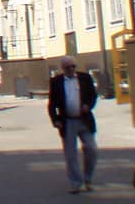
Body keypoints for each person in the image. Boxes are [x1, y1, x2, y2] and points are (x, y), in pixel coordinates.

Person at [48, 56, 98, 193]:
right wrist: (55, 120)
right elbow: (52, 104)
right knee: (70, 154)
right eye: (67, 67)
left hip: (84, 120)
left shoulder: (85, 78)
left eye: (73, 66)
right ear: (63, 69)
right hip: (67, 121)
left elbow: (93, 96)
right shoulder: (56, 81)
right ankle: (76, 182)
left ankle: (88, 179)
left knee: (92, 149)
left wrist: (89, 106)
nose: (71, 69)